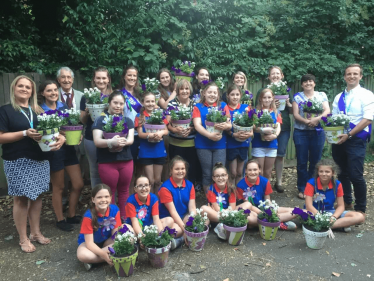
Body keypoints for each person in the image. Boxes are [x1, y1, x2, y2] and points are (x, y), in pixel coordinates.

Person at [0, 75, 65, 253]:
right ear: (14, 88)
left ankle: (35, 233)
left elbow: (53, 131)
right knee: (21, 199)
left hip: (40, 159)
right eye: (20, 86)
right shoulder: (5, 111)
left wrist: (61, 137)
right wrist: (24, 133)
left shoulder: (38, 111)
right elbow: (1, 137)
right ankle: (23, 238)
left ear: (32, 91)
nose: (24, 89)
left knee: (37, 197)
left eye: (28, 87)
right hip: (17, 160)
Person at [39, 80, 84, 231]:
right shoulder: (40, 110)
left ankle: (71, 215)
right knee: (59, 187)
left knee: (78, 184)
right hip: (53, 150)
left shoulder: (63, 106)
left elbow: (68, 126)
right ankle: (60, 219)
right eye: (49, 90)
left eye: (54, 90)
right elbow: (43, 132)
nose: (53, 93)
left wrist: (76, 134)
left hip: (68, 148)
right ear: (42, 93)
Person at [331, 64, 374, 214]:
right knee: (342, 173)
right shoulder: (338, 97)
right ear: (344, 77)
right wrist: (330, 134)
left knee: (356, 175)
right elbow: (334, 118)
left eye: (355, 74)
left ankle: (360, 208)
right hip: (339, 139)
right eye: (349, 74)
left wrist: (349, 135)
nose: (352, 76)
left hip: (356, 139)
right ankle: (347, 202)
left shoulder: (367, 95)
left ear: (361, 76)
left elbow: (368, 119)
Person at [92, 91, 134, 220]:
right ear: (109, 103)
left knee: (124, 191)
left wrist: (122, 142)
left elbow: (131, 139)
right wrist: (111, 142)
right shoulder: (100, 120)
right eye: (115, 103)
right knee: (110, 193)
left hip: (126, 160)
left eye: (121, 104)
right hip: (107, 162)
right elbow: (97, 141)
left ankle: (125, 220)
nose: (118, 106)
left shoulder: (127, 120)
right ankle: (112, 221)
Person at [77, 184, 133, 271]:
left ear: (110, 198)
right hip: (90, 245)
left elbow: (115, 234)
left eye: (106, 196)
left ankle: (94, 261)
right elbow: (89, 243)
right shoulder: (88, 216)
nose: (103, 200)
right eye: (99, 197)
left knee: (128, 230)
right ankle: (111, 257)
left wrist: (121, 238)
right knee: (82, 255)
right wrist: (102, 253)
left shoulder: (114, 209)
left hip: (106, 242)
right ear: (93, 199)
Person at [255, 66, 293, 193]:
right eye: (273, 74)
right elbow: (256, 111)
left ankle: (278, 182)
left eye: (278, 73)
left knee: (280, 155)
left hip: (282, 127)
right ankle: (259, 189)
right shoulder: (263, 91)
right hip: (261, 134)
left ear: (282, 75)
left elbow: (291, 111)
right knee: (260, 166)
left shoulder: (286, 90)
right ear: (269, 76)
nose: (275, 76)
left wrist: (287, 104)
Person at [292, 74, 330, 199]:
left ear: (314, 83)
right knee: (302, 162)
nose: (308, 83)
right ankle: (302, 188)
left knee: (315, 161)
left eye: (310, 81)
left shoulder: (321, 95)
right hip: (301, 132)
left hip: (317, 132)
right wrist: (307, 121)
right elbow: (296, 114)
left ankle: (313, 187)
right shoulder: (297, 97)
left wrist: (317, 119)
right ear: (302, 84)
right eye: (305, 82)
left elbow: (327, 111)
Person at [201, 163, 260, 239]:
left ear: (227, 176)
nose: (220, 178)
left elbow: (232, 207)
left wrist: (228, 212)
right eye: (217, 176)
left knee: (247, 204)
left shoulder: (231, 188)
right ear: (213, 178)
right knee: (203, 208)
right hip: (217, 214)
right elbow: (217, 209)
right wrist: (226, 213)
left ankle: (224, 225)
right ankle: (229, 223)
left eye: (223, 175)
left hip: (231, 212)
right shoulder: (211, 190)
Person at [304, 159, 365, 231]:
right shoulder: (311, 183)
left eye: (327, 172)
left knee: (359, 216)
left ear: (333, 173)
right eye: (321, 171)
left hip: (330, 212)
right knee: (301, 213)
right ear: (318, 172)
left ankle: (325, 226)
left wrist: (334, 217)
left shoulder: (337, 184)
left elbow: (341, 206)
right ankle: (339, 225)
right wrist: (319, 216)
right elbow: (308, 205)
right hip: (313, 213)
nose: (324, 174)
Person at [192, 81, 232, 193]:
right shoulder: (198, 107)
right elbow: (197, 125)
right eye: (210, 92)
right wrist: (209, 135)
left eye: (215, 92)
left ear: (218, 95)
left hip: (219, 144)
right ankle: (210, 200)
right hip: (203, 145)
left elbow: (229, 124)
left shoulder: (223, 106)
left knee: (220, 173)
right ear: (204, 93)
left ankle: (221, 198)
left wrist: (225, 125)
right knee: (207, 173)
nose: (212, 94)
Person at [237, 159, 297, 230]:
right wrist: (262, 214)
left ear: (259, 170)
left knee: (295, 211)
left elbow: (267, 199)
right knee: (250, 220)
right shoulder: (240, 185)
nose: (252, 172)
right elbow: (247, 205)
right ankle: (278, 224)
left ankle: (270, 221)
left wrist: (270, 210)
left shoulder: (265, 181)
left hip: (264, 207)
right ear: (245, 171)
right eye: (249, 170)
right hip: (252, 211)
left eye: (255, 169)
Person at [80, 67, 113, 188]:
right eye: (98, 78)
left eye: (104, 78)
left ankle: (110, 200)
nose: (101, 80)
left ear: (108, 79)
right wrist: (87, 112)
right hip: (91, 137)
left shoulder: (113, 96)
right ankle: (97, 199)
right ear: (94, 79)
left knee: (110, 169)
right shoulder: (86, 97)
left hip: (110, 136)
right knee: (94, 170)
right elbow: (83, 120)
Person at [166, 79, 201, 185]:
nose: (184, 91)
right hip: (175, 143)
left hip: (191, 143)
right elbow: (167, 123)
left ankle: (190, 192)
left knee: (190, 169)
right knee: (176, 169)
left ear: (190, 91)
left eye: (186, 89)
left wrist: (191, 129)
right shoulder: (172, 104)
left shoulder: (195, 105)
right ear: (177, 91)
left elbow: (198, 123)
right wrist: (174, 129)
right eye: (181, 89)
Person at [158, 156, 196, 250]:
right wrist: (186, 231)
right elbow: (173, 212)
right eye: (177, 169)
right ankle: (183, 237)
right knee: (175, 230)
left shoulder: (190, 185)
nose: (180, 171)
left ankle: (180, 240)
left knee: (202, 219)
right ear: (171, 171)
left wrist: (193, 219)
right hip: (170, 219)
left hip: (183, 218)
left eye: (183, 168)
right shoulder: (165, 188)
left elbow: (192, 208)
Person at [135, 92, 168, 194]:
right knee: (151, 181)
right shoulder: (139, 116)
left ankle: (158, 203)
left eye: (152, 101)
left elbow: (166, 130)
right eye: (147, 101)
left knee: (158, 180)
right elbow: (140, 134)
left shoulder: (160, 114)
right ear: (143, 102)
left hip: (159, 150)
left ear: (155, 102)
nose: (150, 103)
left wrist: (161, 132)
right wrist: (150, 135)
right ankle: (150, 201)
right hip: (146, 151)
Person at [119, 65, 143, 194]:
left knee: (140, 168)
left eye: (134, 75)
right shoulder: (119, 94)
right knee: (129, 170)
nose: (132, 78)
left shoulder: (140, 94)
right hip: (127, 135)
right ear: (124, 76)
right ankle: (128, 198)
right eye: (129, 75)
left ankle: (139, 197)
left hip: (140, 134)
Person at [225, 84, 253, 185]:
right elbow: (225, 128)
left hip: (243, 143)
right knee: (232, 172)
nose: (235, 97)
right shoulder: (225, 108)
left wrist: (249, 134)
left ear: (240, 95)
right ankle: (232, 193)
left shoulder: (246, 108)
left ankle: (239, 195)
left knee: (240, 172)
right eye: (232, 94)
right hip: (231, 144)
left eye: (237, 94)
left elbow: (252, 125)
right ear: (228, 95)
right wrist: (233, 134)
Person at [252, 88, 281, 180]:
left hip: (272, 145)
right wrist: (262, 130)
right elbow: (253, 127)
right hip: (258, 145)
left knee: (268, 173)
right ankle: (258, 192)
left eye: (269, 97)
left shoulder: (276, 112)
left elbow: (278, 126)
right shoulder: (256, 112)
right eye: (264, 97)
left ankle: (266, 193)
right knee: (259, 172)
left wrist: (275, 135)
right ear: (260, 99)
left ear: (272, 98)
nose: (267, 100)